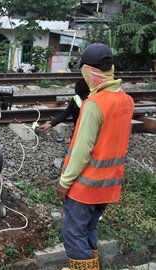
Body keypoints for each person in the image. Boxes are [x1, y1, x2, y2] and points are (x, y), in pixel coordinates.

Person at [57, 43, 134, 270]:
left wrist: (64, 182)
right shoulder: (125, 100)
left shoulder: (94, 104)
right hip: (109, 185)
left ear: (89, 71)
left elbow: (82, 151)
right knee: (89, 228)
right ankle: (89, 266)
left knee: (72, 233)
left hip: (86, 185)